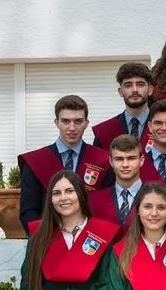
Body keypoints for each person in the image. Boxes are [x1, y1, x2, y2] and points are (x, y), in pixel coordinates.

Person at [18, 95, 112, 228]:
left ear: (86, 123)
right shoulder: (35, 162)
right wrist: (44, 239)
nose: (72, 128)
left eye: (78, 121)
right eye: (66, 121)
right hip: (49, 241)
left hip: (91, 242)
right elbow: (29, 212)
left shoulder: (103, 161)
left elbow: (107, 208)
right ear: (57, 122)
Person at [90, 135, 146, 239]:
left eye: (131, 158)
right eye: (119, 159)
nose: (125, 164)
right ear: (111, 161)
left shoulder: (155, 196)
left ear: (141, 160)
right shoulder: (95, 200)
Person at [93, 62, 155, 149]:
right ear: (120, 91)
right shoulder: (104, 131)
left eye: (140, 84)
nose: (135, 90)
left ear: (150, 90)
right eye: (128, 85)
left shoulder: (165, 127)